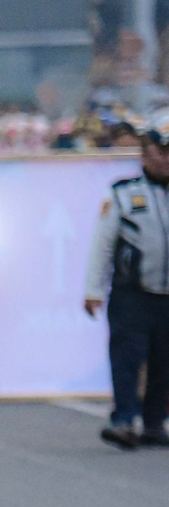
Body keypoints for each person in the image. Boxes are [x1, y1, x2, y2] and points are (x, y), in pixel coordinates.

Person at [83, 115, 169, 449]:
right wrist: (93, 289)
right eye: (160, 151)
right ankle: (123, 420)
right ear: (145, 153)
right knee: (127, 358)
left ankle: (154, 424)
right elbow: (102, 245)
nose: (166, 159)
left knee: (163, 361)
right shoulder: (123, 194)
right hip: (132, 294)